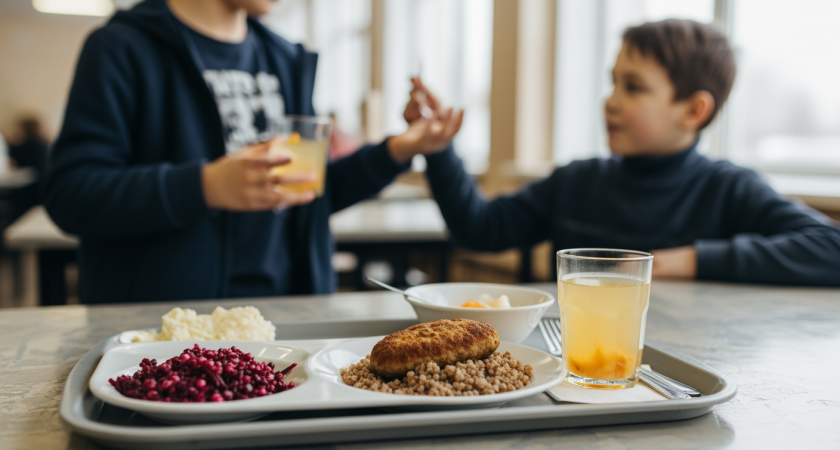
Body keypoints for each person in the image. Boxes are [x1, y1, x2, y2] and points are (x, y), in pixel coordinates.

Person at [42, 0, 463, 304]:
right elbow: (72, 194)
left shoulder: (285, 59)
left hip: (285, 318)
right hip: (167, 330)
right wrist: (203, 187)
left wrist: (398, 149)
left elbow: (307, 191)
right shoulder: (120, 48)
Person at [416, 19, 840, 286]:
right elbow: (479, 228)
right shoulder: (578, 180)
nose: (611, 101)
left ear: (694, 110)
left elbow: (830, 247)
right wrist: (439, 151)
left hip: (686, 379)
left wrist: (678, 262)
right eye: (613, 82)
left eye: (633, 87)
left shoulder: (728, 188)